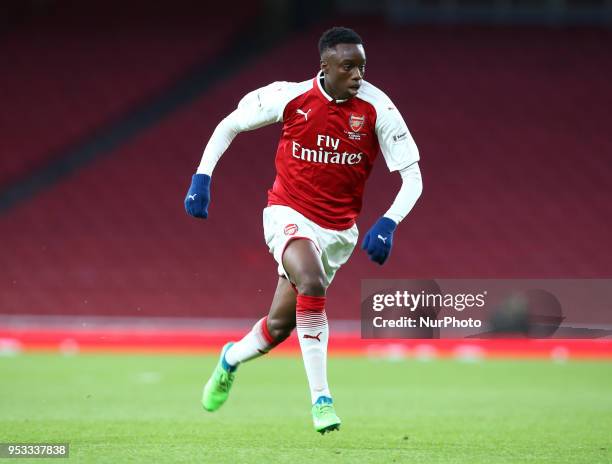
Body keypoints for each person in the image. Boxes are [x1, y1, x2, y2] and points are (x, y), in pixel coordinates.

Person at [184, 26, 423, 434]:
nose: (357, 75)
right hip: (286, 212)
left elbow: (413, 177)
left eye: (362, 67)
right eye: (348, 67)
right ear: (324, 67)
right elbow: (229, 125)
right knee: (311, 282)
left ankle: (230, 359)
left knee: (279, 326)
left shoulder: (378, 109)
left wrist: (389, 221)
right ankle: (322, 400)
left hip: (337, 231)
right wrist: (201, 177)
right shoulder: (290, 96)